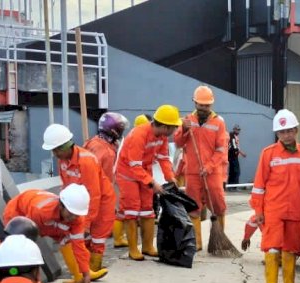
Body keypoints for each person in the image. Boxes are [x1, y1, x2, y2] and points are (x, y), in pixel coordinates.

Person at [250, 109, 300, 283]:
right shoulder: (268, 154)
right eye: (282, 132)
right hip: (273, 210)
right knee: (272, 246)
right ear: (277, 134)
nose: (286, 135)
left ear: (296, 130)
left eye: (289, 130)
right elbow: (259, 186)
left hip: (295, 210)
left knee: (291, 247)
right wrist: (258, 210)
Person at [46, 124, 117, 274]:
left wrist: (85, 223)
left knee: (97, 237)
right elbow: (65, 187)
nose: (54, 154)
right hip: (81, 203)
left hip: (101, 202)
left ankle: (94, 269)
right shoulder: (62, 161)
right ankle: (84, 271)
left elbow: (94, 194)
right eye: (53, 150)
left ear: (66, 146)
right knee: (82, 238)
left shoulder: (86, 161)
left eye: (56, 150)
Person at [3, 185, 105, 283]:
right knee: (20, 245)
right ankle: (22, 282)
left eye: (76, 214)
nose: (73, 218)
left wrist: (86, 273)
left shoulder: (77, 219)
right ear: (61, 205)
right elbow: (29, 241)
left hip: (46, 216)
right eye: (70, 214)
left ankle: (78, 276)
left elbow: (79, 247)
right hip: (17, 212)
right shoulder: (40, 211)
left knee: (66, 240)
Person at [115, 104, 179, 261]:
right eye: (173, 127)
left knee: (147, 210)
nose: (174, 131)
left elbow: (164, 158)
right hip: (128, 175)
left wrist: (170, 177)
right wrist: (152, 183)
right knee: (131, 210)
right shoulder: (139, 135)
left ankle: (148, 246)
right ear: (164, 126)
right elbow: (134, 165)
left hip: (144, 173)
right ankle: (133, 249)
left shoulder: (162, 137)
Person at [173, 85, 229, 251]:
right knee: (193, 207)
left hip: (212, 172)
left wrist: (209, 166)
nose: (204, 108)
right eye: (201, 105)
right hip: (192, 172)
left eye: (207, 105)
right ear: (195, 103)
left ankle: (219, 240)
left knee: (218, 206)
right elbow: (178, 143)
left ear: (211, 104)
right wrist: (183, 129)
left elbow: (221, 150)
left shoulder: (219, 122)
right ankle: (196, 243)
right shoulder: (187, 121)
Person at [86, 113, 130, 249]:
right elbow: (103, 178)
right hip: (97, 196)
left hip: (90, 193)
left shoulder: (94, 142)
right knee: (96, 233)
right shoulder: (106, 152)